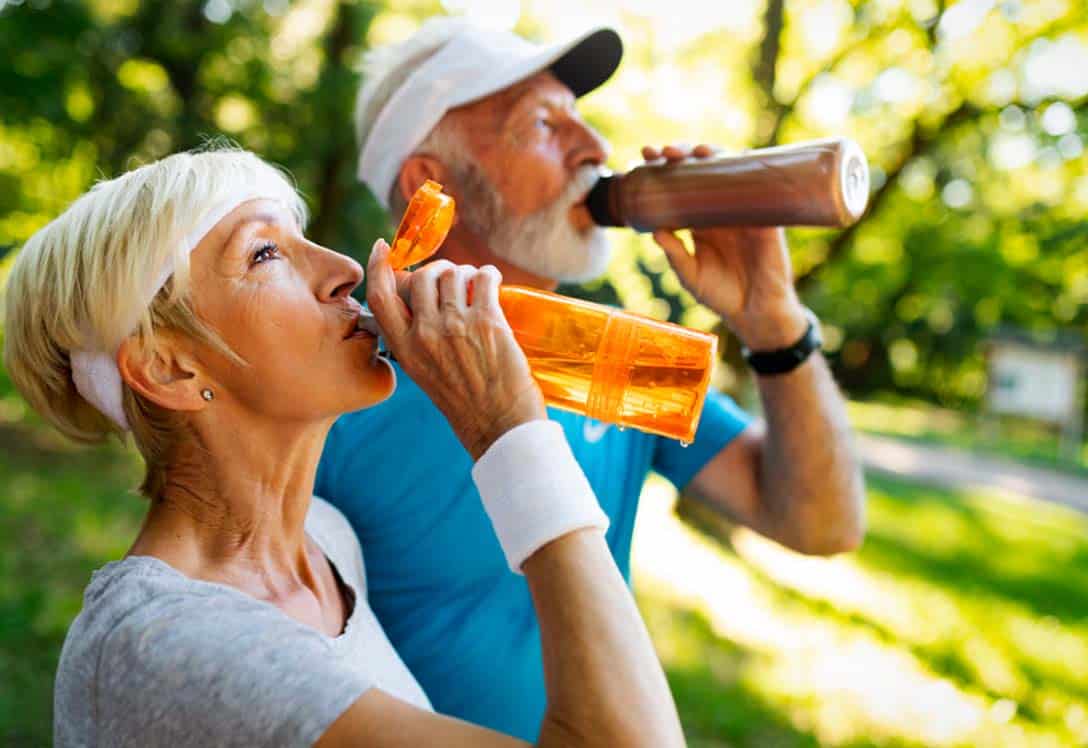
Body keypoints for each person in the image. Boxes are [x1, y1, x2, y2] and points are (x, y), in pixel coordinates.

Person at [3, 147, 686, 747]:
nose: (345, 270)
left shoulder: (329, 546)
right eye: (264, 253)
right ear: (169, 368)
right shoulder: (165, 649)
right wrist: (510, 432)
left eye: (303, 239)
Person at [317, 16, 868, 741]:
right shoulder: (329, 372)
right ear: (432, 181)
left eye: (581, 119)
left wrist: (775, 326)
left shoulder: (619, 356)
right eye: (544, 124)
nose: (598, 149)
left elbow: (820, 524)